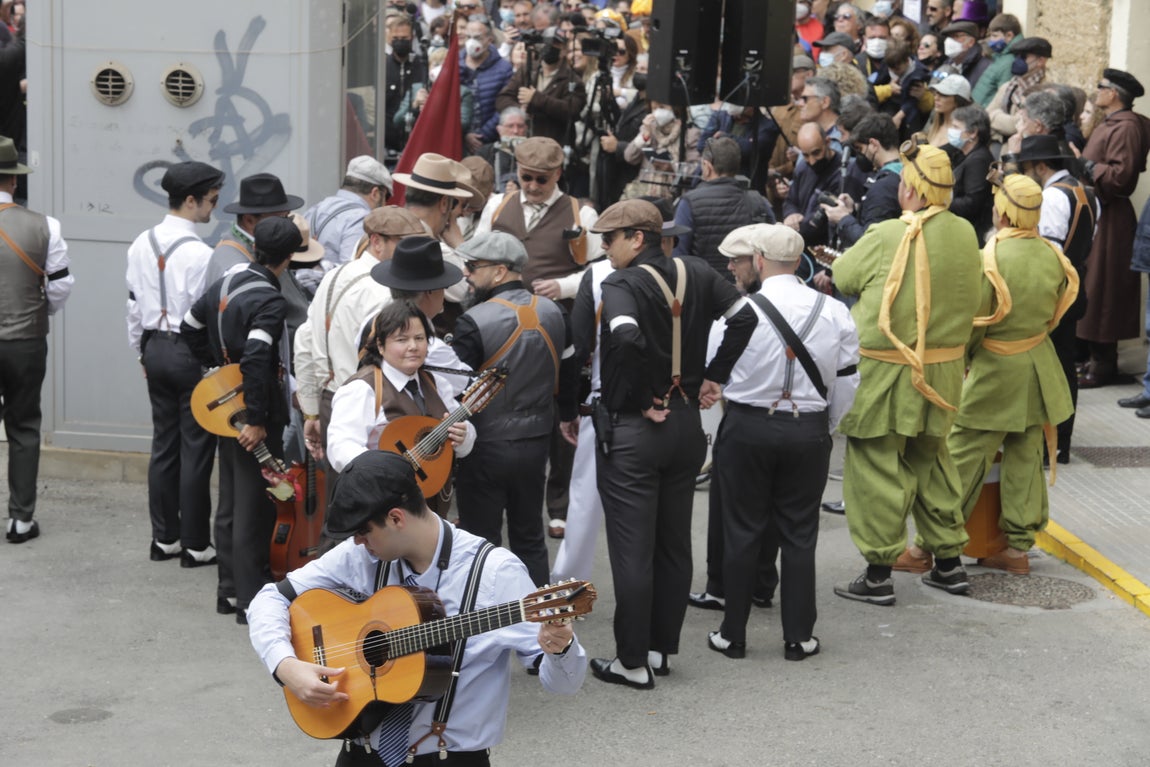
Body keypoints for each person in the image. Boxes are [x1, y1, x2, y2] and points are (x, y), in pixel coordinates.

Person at [246, 450, 587, 767]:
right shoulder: (362, 555)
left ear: (395, 518)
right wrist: (285, 665)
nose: (357, 543)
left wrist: (562, 648)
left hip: (447, 758)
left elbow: (563, 685)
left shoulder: (495, 574)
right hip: (360, 752)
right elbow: (270, 598)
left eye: (364, 533)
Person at [570, 199, 756, 688]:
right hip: (686, 424)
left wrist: (643, 393)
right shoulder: (695, 270)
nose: (604, 249)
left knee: (632, 551)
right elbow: (745, 318)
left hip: (636, 426)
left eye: (609, 239)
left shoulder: (621, 282)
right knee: (673, 544)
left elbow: (625, 338)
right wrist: (713, 377)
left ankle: (632, 662)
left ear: (636, 237)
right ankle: (658, 649)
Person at [831, 139, 983, 605]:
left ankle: (878, 574)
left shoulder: (888, 233)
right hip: (943, 372)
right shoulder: (965, 232)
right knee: (933, 460)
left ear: (913, 191)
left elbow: (844, 278)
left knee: (876, 463)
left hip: (885, 371)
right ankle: (950, 564)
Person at [705, 223, 858, 661]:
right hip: (807, 428)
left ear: (758, 261)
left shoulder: (738, 311)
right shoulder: (833, 311)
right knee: (799, 534)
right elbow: (847, 381)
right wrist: (824, 424)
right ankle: (798, 637)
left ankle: (732, 633)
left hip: (748, 427)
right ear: (799, 261)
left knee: (741, 530)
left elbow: (716, 372)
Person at [946, 172, 1078, 575]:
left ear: (1001, 212)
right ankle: (1018, 550)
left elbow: (975, 322)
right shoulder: (1054, 256)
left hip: (994, 373)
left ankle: (933, 546)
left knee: (959, 460)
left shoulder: (990, 256)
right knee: (1025, 460)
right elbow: (1056, 314)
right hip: (1038, 367)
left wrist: (964, 359)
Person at [475, 137, 599, 539]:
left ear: (558, 175)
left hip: (555, 323)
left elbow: (602, 269)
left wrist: (563, 286)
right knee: (498, 400)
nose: (530, 185)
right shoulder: (497, 205)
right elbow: (477, 252)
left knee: (560, 404)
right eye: (525, 177)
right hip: (499, 321)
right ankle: (496, 494)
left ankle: (557, 504)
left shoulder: (582, 212)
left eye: (540, 179)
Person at [181, 216, 300, 624]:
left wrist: (218, 370)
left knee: (231, 500)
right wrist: (256, 416)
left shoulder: (227, 282)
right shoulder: (269, 298)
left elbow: (190, 325)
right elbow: (256, 356)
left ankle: (228, 590)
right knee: (254, 506)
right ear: (289, 257)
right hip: (251, 413)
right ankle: (251, 600)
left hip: (225, 409)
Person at [451, 232, 574, 586]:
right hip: (536, 442)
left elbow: (456, 392)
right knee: (530, 536)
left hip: (484, 446)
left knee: (479, 542)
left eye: (473, 267)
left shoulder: (473, 321)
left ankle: (482, 624)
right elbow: (568, 374)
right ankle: (539, 620)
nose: (467, 274)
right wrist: (567, 416)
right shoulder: (555, 313)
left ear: (501, 271)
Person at [125, 160, 224, 564]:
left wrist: (140, 351)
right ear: (190, 200)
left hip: (154, 347)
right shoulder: (202, 254)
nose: (213, 208)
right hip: (189, 353)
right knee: (196, 448)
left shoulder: (138, 243)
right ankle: (196, 544)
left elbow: (133, 307)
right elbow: (207, 319)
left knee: (163, 444)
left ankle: (164, 538)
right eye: (211, 200)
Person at [0, 135, 72, 543]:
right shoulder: (45, 226)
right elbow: (61, 287)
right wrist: (39, 313)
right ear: (13, 180)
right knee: (24, 425)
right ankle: (20, 520)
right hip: (26, 340)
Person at [1007, 136, 1097, 457]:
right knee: (1064, 365)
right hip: (1076, 285)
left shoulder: (1051, 197)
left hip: (1055, 293)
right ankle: (1062, 441)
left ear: (1041, 167)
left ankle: (1051, 444)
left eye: (1027, 168)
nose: (1025, 174)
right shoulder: (1086, 192)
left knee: (1049, 368)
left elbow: (1050, 251)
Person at [326, 297, 473, 476]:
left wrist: (464, 438)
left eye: (420, 338)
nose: (413, 346)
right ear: (380, 345)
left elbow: (465, 436)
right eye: (402, 340)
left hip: (436, 496)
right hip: (384, 496)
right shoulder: (362, 389)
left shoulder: (438, 385)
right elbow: (341, 447)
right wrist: (384, 470)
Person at [1077, 70, 1150, 388]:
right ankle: (1092, 358)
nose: (1097, 91)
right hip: (1098, 212)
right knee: (1093, 285)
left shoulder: (1127, 127)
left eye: (1102, 87)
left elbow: (1123, 177)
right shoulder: (1111, 123)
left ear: (1115, 94)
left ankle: (1103, 364)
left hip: (1111, 215)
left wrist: (1088, 165)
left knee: (1103, 289)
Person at [672, 137, 773, 280]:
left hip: (703, 289)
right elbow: (771, 248)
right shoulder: (759, 201)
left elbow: (678, 256)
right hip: (747, 291)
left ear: (707, 166)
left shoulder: (689, 202)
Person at [302, 156, 392, 280]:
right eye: (386, 197)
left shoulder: (315, 209)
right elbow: (353, 273)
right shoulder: (361, 219)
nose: (385, 205)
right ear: (375, 193)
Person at [822, 112, 905, 248]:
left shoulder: (883, 186)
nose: (860, 155)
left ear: (873, 144)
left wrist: (843, 219)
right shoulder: (907, 171)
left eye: (860, 148)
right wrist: (853, 212)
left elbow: (870, 242)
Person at [494, 28, 586, 147]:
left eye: (556, 43)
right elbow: (502, 99)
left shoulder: (572, 80)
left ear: (564, 50)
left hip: (553, 144)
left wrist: (537, 98)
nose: (550, 46)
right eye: (546, 42)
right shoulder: (527, 69)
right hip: (522, 141)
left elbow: (572, 111)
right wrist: (520, 112)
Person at [986, 37, 1051, 148]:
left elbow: (1016, 125)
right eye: (1016, 56)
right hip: (998, 145)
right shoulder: (1009, 86)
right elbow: (985, 116)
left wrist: (995, 116)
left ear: (1041, 61)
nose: (1017, 61)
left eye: (1024, 57)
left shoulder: (1044, 91)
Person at [462, 18, 515, 154]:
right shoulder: (454, 65)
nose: (471, 42)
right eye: (468, 37)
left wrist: (483, 135)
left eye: (478, 37)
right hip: (459, 140)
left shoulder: (503, 68)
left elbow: (505, 105)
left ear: (490, 39)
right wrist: (463, 133)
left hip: (490, 143)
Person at [948, 104, 995, 245]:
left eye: (956, 127)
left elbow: (972, 203)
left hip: (973, 235)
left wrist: (943, 201)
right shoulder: (964, 154)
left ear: (973, 132)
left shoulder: (978, 160)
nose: (951, 131)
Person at [971, 13, 1023, 108]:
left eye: (995, 36)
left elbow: (1002, 98)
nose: (991, 40)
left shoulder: (1009, 62)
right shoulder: (1000, 57)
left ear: (1009, 36)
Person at [936, 21, 989, 93]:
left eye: (956, 36)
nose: (949, 41)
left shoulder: (985, 68)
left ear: (971, 42)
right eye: (949, 37)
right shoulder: (946, 65)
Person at [923, 73, 971, 147]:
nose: (936, 98)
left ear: (958, 101)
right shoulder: (934, 126)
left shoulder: (961, 135)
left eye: (944, 95)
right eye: (936, 93)